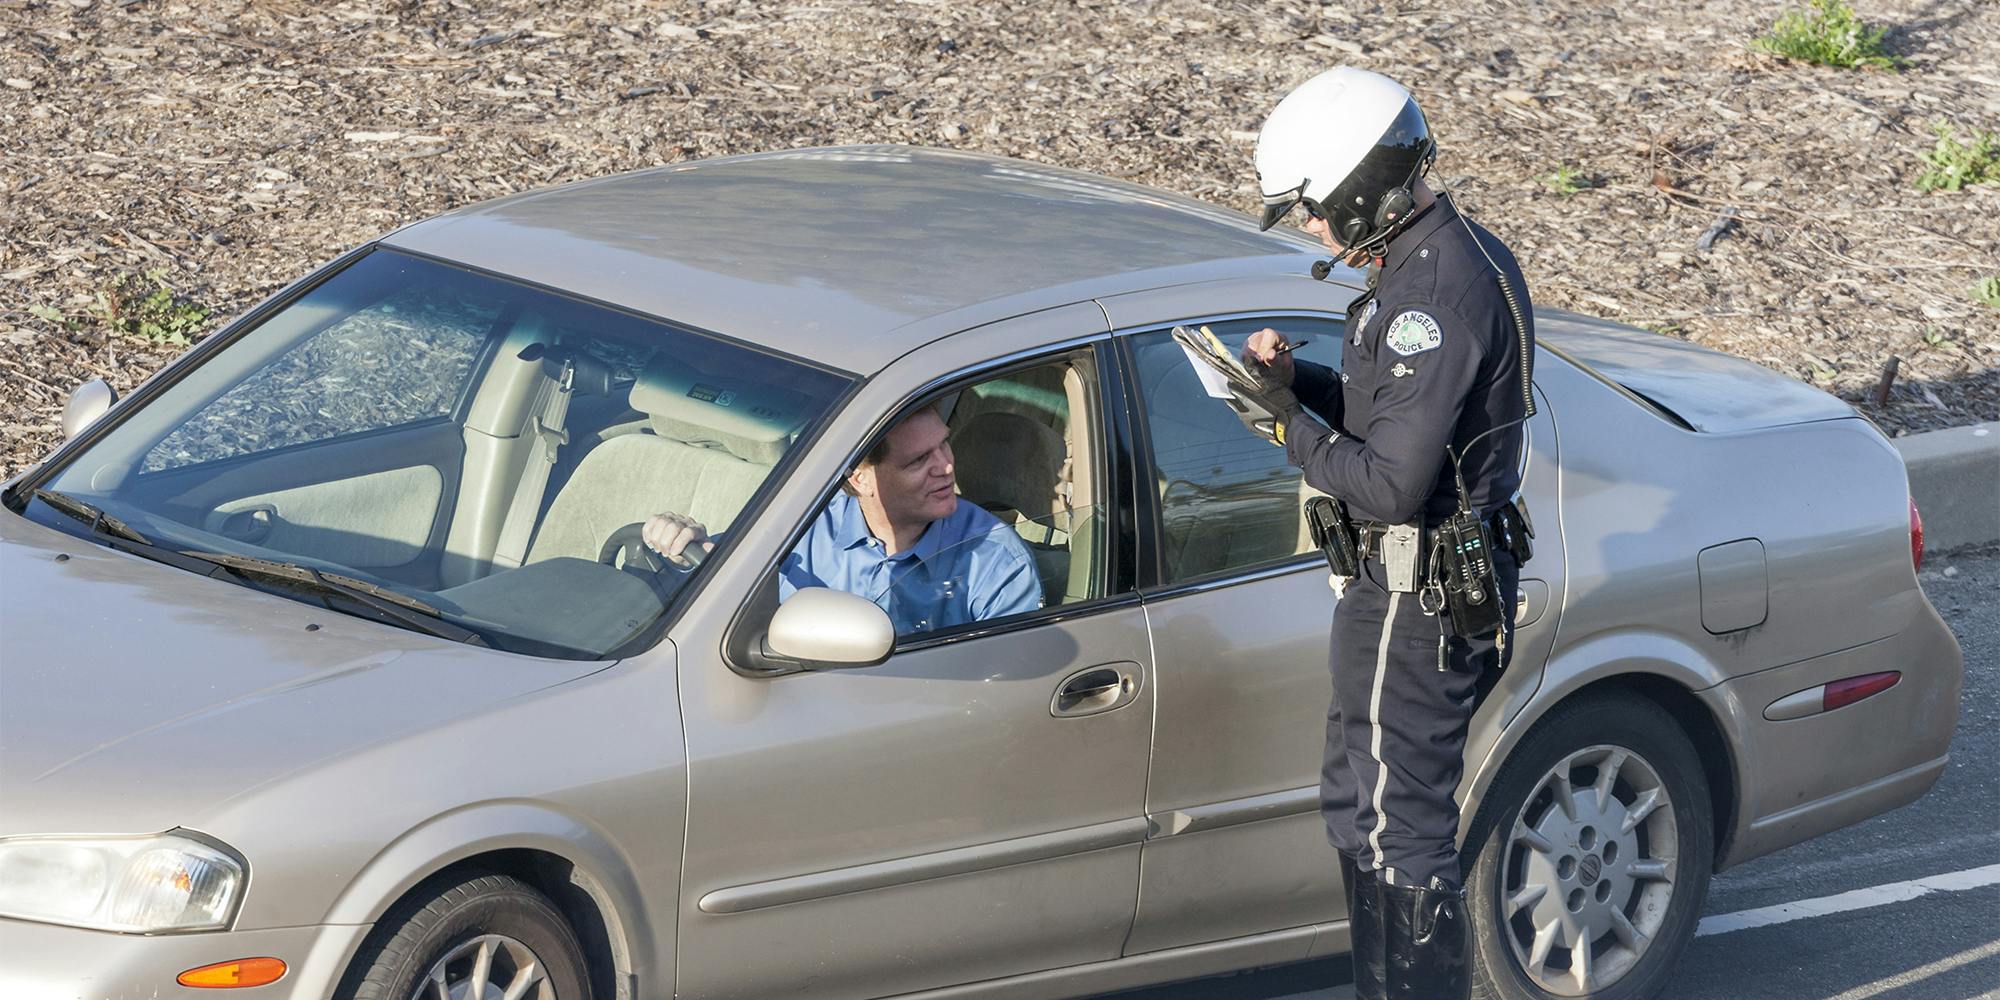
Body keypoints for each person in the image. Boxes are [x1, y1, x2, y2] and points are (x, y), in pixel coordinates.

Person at [1238, 66, 1534, 1000]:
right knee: (1359, 802)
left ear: (1364, 190)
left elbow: (1392, 482)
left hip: (1414, 592)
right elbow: (1407, 420)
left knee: (1393, 827)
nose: (1315, 230)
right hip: (1420, 587)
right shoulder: (1448, 257)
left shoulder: (1429, 300)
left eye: (1315, 210)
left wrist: (1286, 429)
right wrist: (1306, 390)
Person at [642, 405, 1044, 634]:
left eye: (944, 446)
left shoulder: (996, 562)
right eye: (920, 460)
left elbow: (1008, 689)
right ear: (860, 477)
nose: (946, 467)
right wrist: (681, 550)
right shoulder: (802, 519)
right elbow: (726, 581)